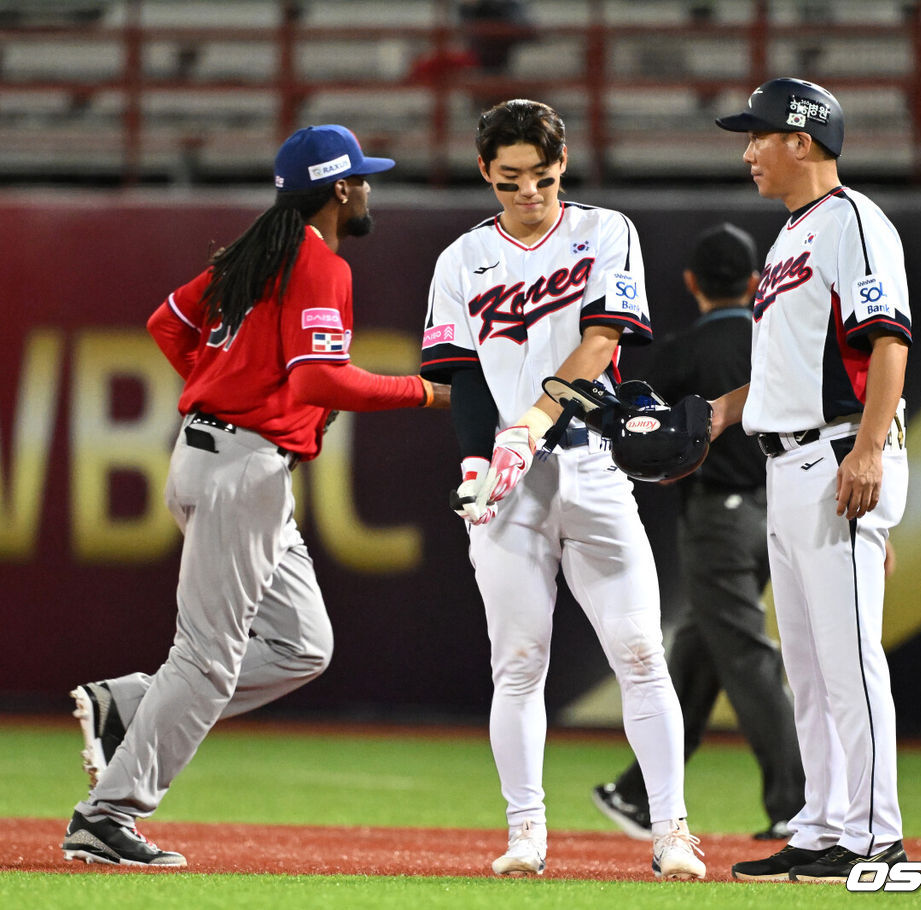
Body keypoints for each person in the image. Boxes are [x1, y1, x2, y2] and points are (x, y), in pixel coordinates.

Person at [61, 124, 450, 867]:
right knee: (207, 660)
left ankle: (133, 706)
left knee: (302, 645)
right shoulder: (317, 262)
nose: (368, 188)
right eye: (361, 178)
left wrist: (221, 389)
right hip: (242, 469)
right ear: (339, 189)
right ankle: (106, 815)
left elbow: (167, 323)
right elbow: (317, 380)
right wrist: (425, 393)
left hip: (219, 459)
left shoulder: (256, 252)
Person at [420, 98, 705, 881]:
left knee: (642, 651)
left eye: (542, 178)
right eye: (510, 179)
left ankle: (672, 831)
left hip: (590, 462)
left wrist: (531, 424)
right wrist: (479, 460)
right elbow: (461, 375)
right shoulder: (460, 260)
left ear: (562, 165)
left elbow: (603, 339)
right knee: (516, 661)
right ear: (485, 171)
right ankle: (525, 833)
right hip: (508, 484)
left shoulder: (603, 231)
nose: (528, 194)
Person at [712, 78, 912, 883]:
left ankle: (876, 835)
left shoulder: (854, 222)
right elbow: (783, 372)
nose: (749, 150)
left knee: (849, 659)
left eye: (758, 135)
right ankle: (824, 826)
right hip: (786, 460)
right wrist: (714, 416)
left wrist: (867, 453)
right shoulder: (791, 236)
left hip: (836, 456)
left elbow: (888, 340)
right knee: (808, 662)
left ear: (803, 140)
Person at [593, 222, 805, 844]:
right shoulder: (779, 341)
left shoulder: (682, 355)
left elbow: (650, 445)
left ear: (690, 284)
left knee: (742, 651)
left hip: (718, 519)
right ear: (754, 282)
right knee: (700, 648)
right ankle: (637, 793)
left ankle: (796, 803)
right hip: (781, 508)